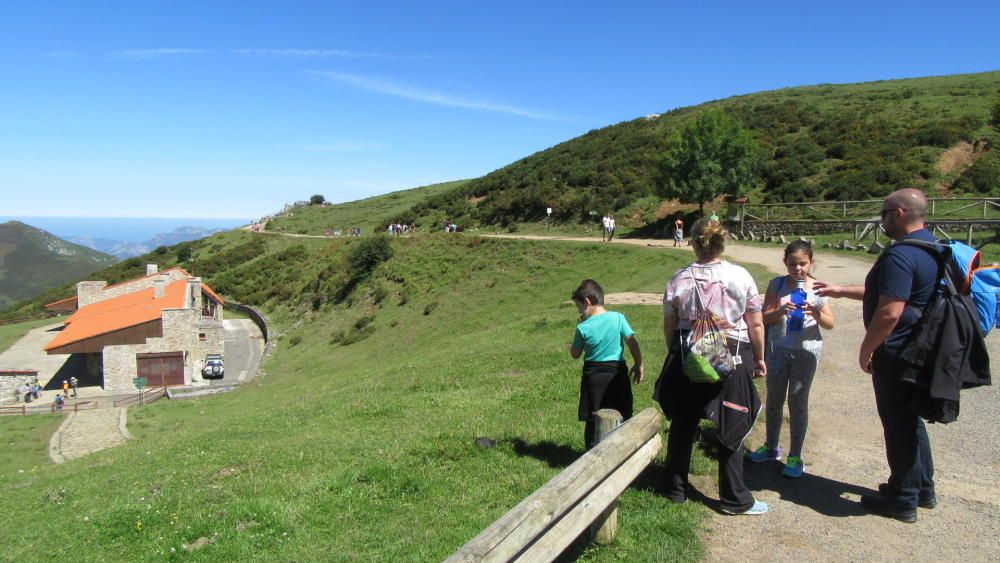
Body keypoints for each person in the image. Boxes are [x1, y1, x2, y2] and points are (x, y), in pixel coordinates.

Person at [814, 188, 938, 523]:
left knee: (898, 423)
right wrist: (840, 291)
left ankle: (903, 498)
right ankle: (922, 488)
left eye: (883, 214)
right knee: (910, 420)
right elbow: (893, 292)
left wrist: (867, 348)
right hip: (923, 348)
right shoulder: (933, 247)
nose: (880, 220)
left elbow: (889, 311)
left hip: (898, 351)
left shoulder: (900, 254)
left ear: (898, 213)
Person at [655, 217, 769, 515]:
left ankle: (675, 488)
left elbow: (669, 323)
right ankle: (734, 498)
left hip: (688, 353)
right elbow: (755, 322)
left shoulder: (678, 278)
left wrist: (675, 353)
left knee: (683, 421)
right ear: (722, 243)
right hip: (731, 354)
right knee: (732, 421)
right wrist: (759, 358)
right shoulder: (741, 276)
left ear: (693, 243)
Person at [748, 241, 835, 477]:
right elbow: (763, 318)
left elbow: (830, 323)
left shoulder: (817, 288)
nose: (797, 268)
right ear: (785, 262)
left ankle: (795, 456)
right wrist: (779, 311)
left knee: (797, 402)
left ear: (811, 263)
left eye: (802, 264)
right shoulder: (777, 285)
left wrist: (815, 313)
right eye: (793, 263)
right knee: (774, 400)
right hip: (778, 351)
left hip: (806, 353)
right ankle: (771, 446)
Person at [569, 279, 644, 449]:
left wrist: (581, 327)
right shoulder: (618, 318)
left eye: (579, 307)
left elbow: (575, 354)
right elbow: (632, 342)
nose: (579, 311)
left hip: (593, 378)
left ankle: (591, 453)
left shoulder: (583, 328)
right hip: (617, 375)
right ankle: (622, 450)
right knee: (621, 413)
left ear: (587, 302)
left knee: (593, 418)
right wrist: (639, 364)